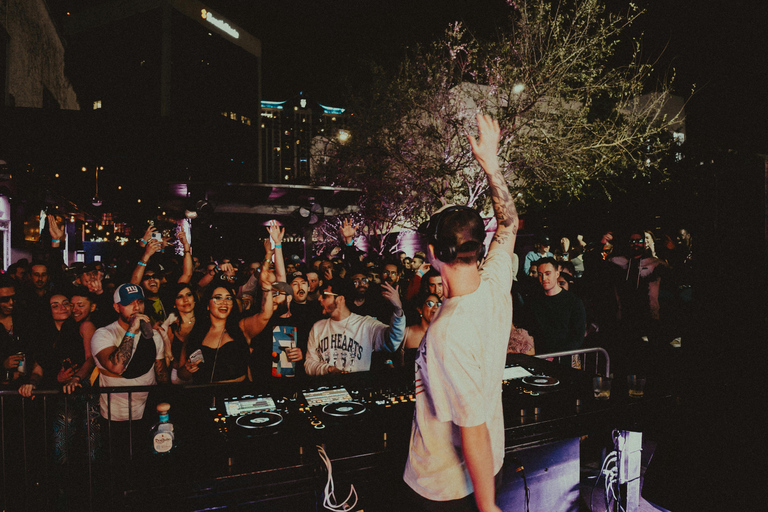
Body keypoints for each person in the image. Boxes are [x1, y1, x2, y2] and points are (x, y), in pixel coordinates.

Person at [404, 114, 516, 512]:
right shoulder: (495, 281)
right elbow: (510, 221)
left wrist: (487, 509)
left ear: (433, 254)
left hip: (448, 485)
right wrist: (491, 165)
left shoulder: (448, 333)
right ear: (478, 249)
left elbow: (471, 429)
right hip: (490, 465)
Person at [90, 283, 170, 425]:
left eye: (139, 302)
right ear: (116, 307)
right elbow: (117, 367)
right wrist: (132, 329)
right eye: (129, 303)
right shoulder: (104, 334)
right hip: (115, 416)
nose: (136, 308)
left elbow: (161, 374)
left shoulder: (153, 336)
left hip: (148, 412)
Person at [304, 277, 405, 375]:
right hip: (326, 390)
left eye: (325, 295)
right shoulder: (318, 327)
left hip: (357, 387)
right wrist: (329, 369)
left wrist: (398, 310)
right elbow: (308, 365)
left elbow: (392, 341)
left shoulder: (366, 325)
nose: (320, 299)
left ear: (340, 299)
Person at [519, 258, 586, 363]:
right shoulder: (533, 302)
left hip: (563, 360)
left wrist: (555, 355)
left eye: (548, 273)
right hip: (538, 358)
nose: (544, 278)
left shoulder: (574, 302)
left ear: (557, 273)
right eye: (540, 274)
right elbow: (527, 329)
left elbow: (577, 337)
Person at [397, 292, 440, 369]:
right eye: (430, 304)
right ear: (420, 310)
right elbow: (388, 356)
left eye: (438, 304)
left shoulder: (445, 335)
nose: (435, 308)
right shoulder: (407, 333)